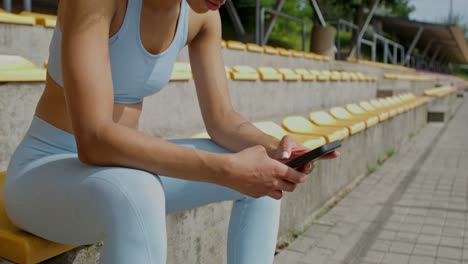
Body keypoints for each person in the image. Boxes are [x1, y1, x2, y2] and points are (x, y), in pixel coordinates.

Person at [4, 0, 339, 263]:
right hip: (45, 174)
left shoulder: (202, 17)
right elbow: (94, 140)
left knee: (267, 177)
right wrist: (225, 170)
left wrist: (276, 149)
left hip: (117, 176)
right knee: (140, 188)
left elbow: (222, 118)